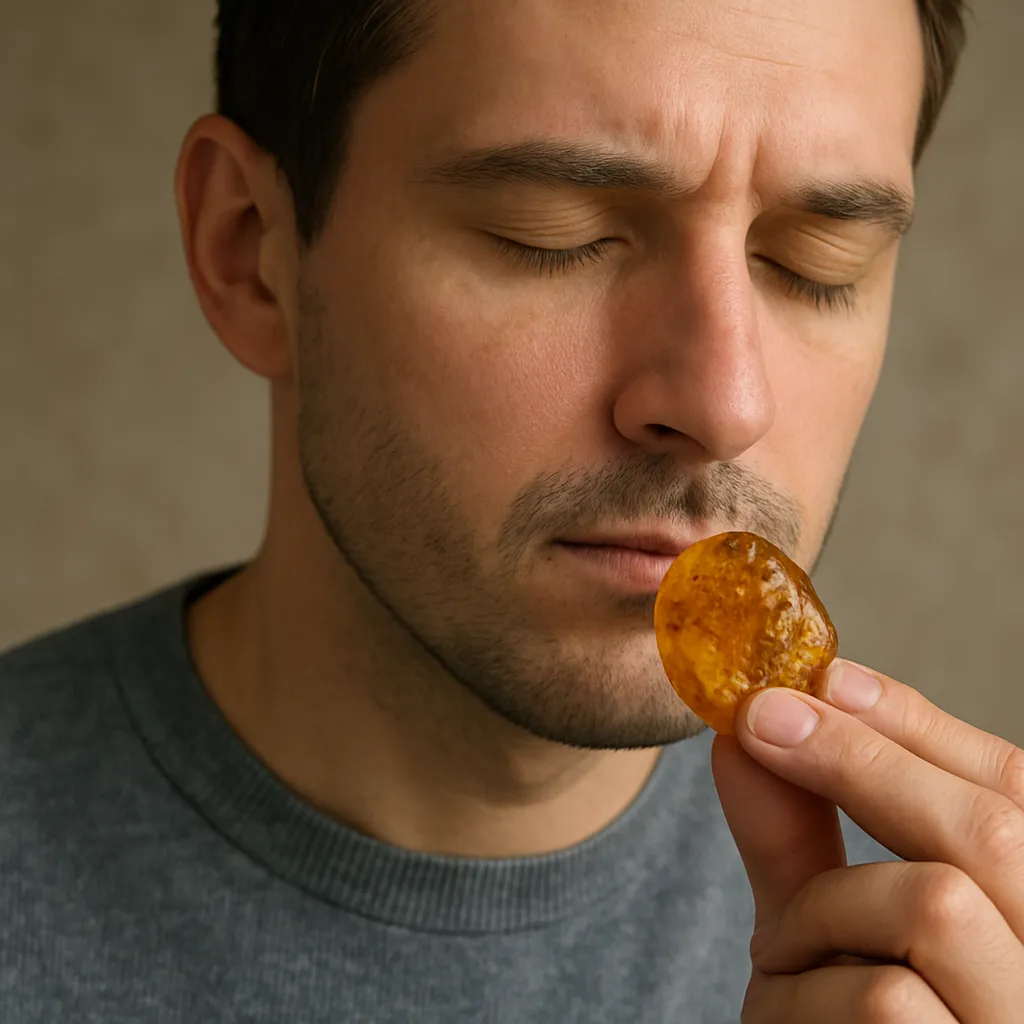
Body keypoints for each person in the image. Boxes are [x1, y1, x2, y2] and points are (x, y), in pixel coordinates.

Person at [3, 0, 1022, 1020]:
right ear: (251, 251)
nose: (724, 405)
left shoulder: (956, 944)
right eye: (554, 235)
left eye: (816, 262)